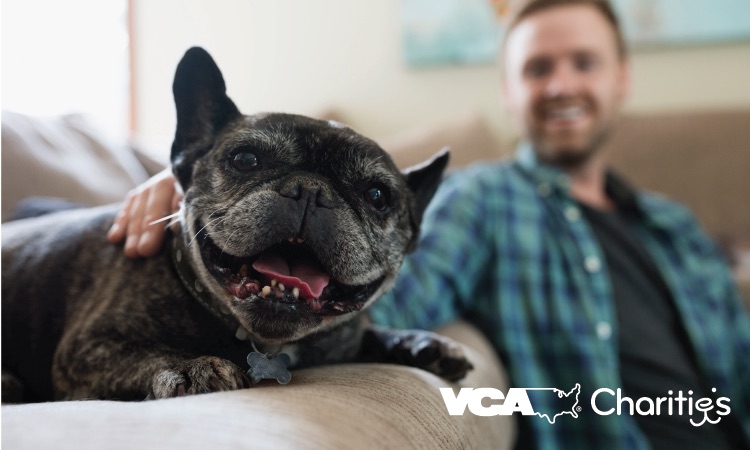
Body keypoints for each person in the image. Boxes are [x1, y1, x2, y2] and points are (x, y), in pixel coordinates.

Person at [109, 1, 750, 448]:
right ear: (508, 91)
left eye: (584, 63)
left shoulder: (676, 227)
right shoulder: (486, 200)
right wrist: (204, 181)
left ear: (621, 79)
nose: (562, 85)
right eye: (538, 68)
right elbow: (374, 301)